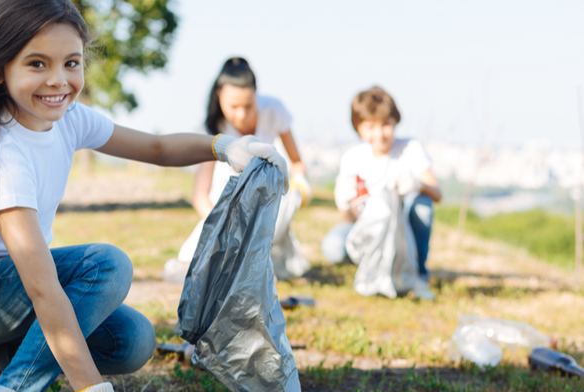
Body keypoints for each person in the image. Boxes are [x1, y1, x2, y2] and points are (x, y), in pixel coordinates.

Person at [0, 2, 289, 392]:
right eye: (37, 64)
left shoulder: (67, 120)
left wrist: (224, 146)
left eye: (71, 63)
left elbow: (153, 146)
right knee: (106, 266)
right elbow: (43, 287)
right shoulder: (3, 151)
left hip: (1, 293)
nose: (58, 80)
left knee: (133, 340)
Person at [169, 57, 311, 282]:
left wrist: (300, 184)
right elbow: (200, 196)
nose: (241, 115)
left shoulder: (273, 109)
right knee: (192, 262)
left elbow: (296, 162)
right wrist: (226, 227)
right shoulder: (212, 129)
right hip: (226, 211)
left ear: (256, 95)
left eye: (248, 105)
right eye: (234, 107)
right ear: (219, 94)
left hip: (266, 208)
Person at [321, 86, 441, 282]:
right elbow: (351, 219)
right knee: (333, 246)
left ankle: (418, 270)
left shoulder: (410, 148)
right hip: (369, 229)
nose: (380, 134)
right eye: (370, 126)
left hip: (404, 229)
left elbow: (437, 194)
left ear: (395, 122)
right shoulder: (353, 158)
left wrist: (418, 184)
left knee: (422, 205)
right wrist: (343, 204)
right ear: (358, 128)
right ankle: (373, 264)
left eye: (386, 124)